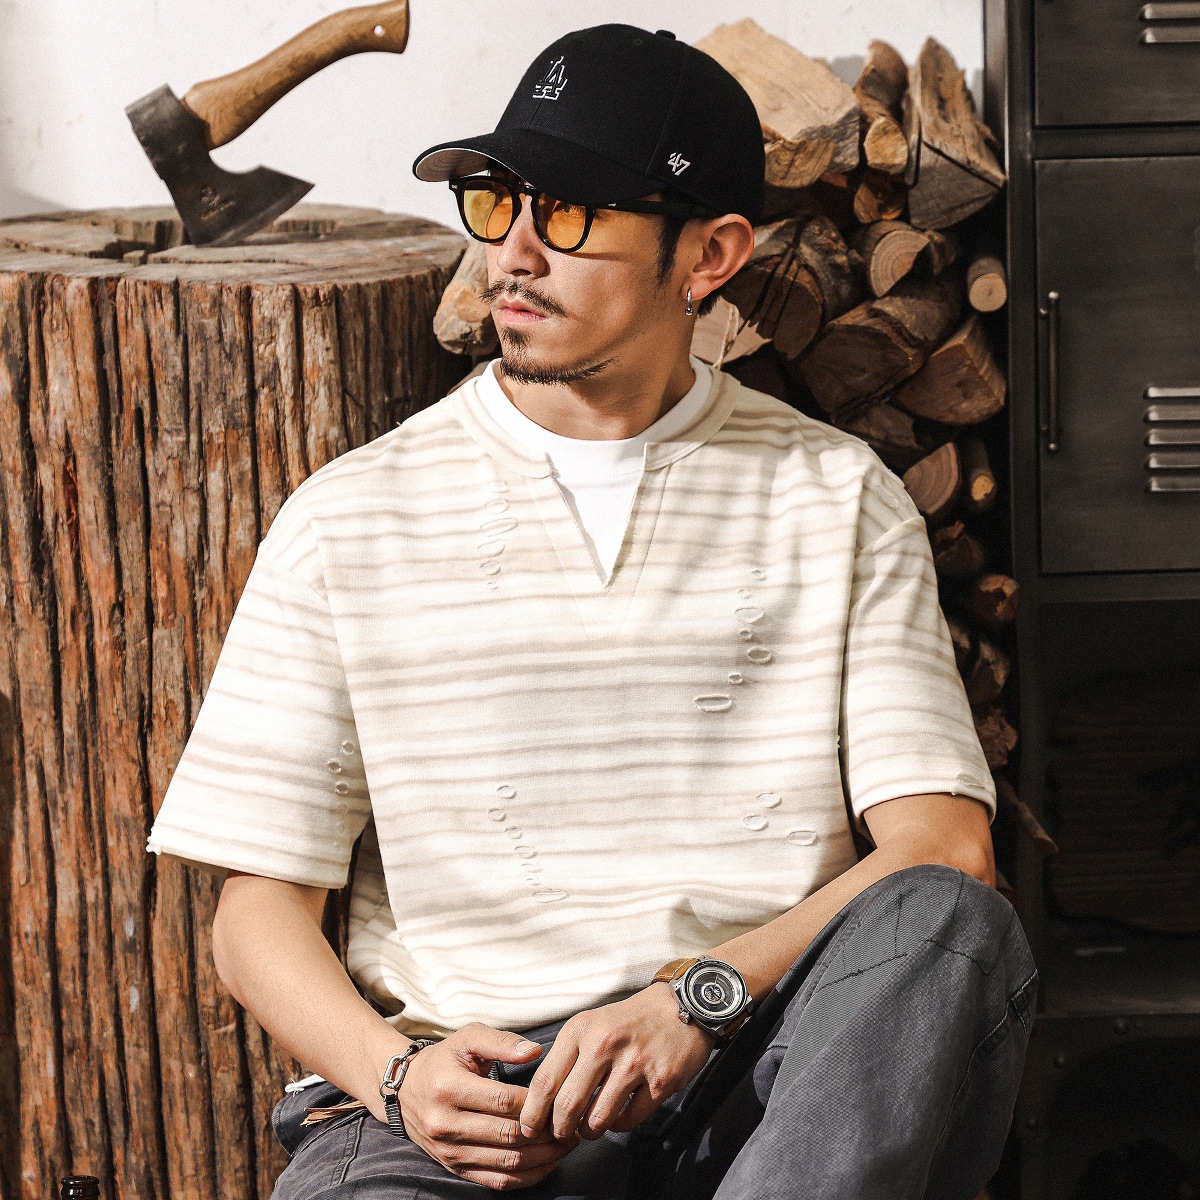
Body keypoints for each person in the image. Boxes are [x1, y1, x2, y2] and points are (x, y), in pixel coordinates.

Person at [144, 22, 1037, 1200]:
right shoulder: (351, 516)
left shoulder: (836, 498)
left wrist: (698, 1000)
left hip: (752, 1081)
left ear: (708, 255)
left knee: (949, 927)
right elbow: (254, 913)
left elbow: (944, 851)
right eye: (495, 202)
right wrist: (397, 1077)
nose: (512, 255)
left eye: (567, 213)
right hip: (463, 1105)